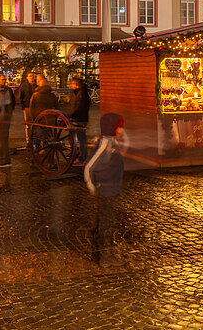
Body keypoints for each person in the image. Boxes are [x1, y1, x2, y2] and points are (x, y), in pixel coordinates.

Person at [84, 113, 126, 267]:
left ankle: (95, 255)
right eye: (119, 126)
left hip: (109, 187)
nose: (121, 130)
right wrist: (92, 185)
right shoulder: (105, 143)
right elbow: (89, 165)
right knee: (106, 225)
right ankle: (106, 258)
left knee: (98, 223)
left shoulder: (110, 142)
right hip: (106, 188)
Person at [27, 74, 59, 148]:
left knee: (38, 136)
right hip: (50, 120)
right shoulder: (52, 95)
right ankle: (46, 149)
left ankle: (37, 151)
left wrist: (34, 119)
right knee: (48, 136)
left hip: (39, 120)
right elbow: (57, 108)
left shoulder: (35, 95)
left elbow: (31, 108)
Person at [0, 73, 15, 167]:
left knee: (3, 139)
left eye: (4, 79)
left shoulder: (7, 90)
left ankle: (6, 159)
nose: (4, 81)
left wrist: (7, 115)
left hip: (3, 118)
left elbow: (11, 104)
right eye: (2, 79)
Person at [67, 76, 92, 162]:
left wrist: (71, 114)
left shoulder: (81, 94)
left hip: (80, 119)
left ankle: (82, 156)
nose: (71, 85)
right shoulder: (75, 93)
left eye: (73, 83)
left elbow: (79, 107)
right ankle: (76, 154)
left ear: (77, 84)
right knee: (74, 137)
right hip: (75, 118)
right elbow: (72, 105)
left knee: (81, 138)